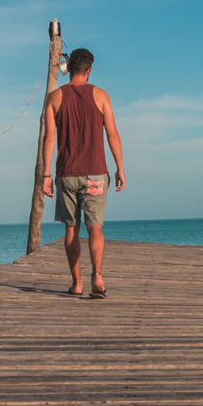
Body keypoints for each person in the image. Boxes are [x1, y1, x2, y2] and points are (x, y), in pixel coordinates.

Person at [42, 47, 126, 297]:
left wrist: (45, 175)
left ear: (68, 69)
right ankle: (97, 276)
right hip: (96, 174)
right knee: (95, 228)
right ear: (89, 70)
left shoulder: (55, 98)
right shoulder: (101, 95)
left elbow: (49, 139)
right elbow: (112, 134)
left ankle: (77, 283)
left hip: (66, 173)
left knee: (71, 229)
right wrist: (120, 167)